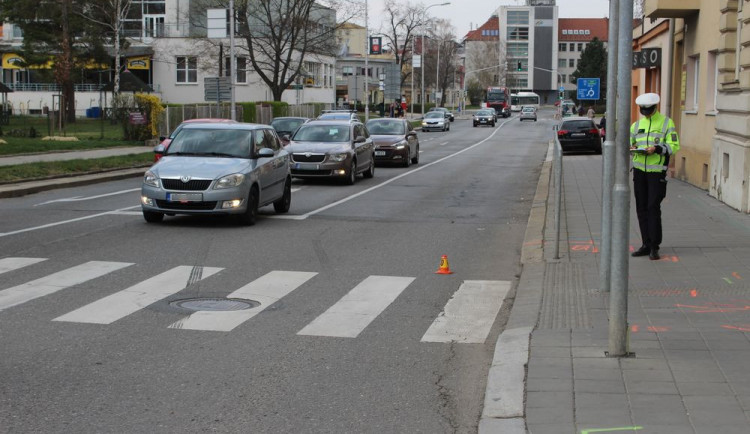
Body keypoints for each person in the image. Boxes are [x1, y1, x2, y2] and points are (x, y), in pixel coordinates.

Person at [629, 92, 680, 260]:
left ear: (654, 107)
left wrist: (658, 148)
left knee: (653, 207)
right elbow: (630, 143)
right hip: (639, 172)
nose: (645, 112)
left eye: (648, 109)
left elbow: (674, 145)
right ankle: (645, 243)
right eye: (643, 110)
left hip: (656, 172)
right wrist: (633, 147)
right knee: (641, 208)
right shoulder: (636, 126)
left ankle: (654, 246)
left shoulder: (666, 123)